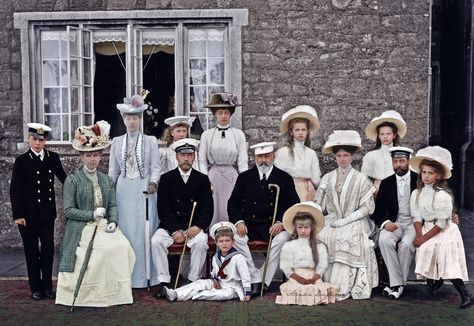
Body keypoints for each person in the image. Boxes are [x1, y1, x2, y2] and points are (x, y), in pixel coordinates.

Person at [56, 121, 135, 307]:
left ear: (100, 157)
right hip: (81, 227)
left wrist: (113, 221)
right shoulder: (72, 181)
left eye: (95, 155)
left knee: (123, 247)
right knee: (102, 252)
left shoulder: (107, 180)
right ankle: (92, 295)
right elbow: (68, 211)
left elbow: (113, 204)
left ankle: (115, 294)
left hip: (103, 225)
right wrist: (91, 214)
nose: (92, 159)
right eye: (88, 155)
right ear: (82, 157)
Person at [227, 141, 300, 296]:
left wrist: (282, 222)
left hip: (274, 225)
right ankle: (255, 277)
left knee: (281, 239)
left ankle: (263, 281)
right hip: (250, 226)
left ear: (273, 156)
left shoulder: (284, 178)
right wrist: (239, 222)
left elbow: (294, 205)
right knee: (235, 237)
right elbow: (233, 203)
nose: (263, 160)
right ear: (254, 158)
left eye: (267, 156)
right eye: (259, 157)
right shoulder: (245, 177)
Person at [315, 130, 378, 300]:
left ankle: (343, 286)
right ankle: (324, 283)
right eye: (339, 156)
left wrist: (347, 219)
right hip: (333, 219)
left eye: (346, 155)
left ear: (352, 157)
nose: (342, 159)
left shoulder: (361, 178)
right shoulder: (327, 177)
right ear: (335, 157)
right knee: (323, 235)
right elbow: (318, 204)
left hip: (356, 219)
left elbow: (367, 208)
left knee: (347, 237)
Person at [109, 94, 161, 288]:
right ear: (123, 120)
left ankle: (146, 275)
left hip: (144, 189)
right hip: (123, 192)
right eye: (128, 118)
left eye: (135, 118)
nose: (131, 121)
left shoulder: (150, 141)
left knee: (144, 233)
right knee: (126, 233)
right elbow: (113, 171)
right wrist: (108, 191)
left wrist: (153, 182)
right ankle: (126, 277)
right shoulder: (116, 142)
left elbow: (156, 167)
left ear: (140, 119)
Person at [410, 146, 472, 309]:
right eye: (424, 172)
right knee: (425, 250)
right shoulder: (416, 193)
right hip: (428, 227)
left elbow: (443, 223)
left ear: (438, 176)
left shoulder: (442, 195)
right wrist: (418, 234)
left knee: (446, 259)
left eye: (431, 173)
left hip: (444, 230)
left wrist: (424, 238)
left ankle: (465, 295)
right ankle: (434, 281)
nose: (427, 176)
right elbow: (416, 216)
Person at [9, 123, 67, 300]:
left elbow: (65, 180)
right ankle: (35, 287)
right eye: (34, 139)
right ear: (29, 139)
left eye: (41, 140)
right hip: (27, 215)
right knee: (32, 250)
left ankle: (47, 286)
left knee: (48, 249)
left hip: (47, 213)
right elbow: (15, 190)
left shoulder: (53, 157)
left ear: (45, 141)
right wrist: (18, 215)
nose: (37, 143)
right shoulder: (21, 161)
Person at [151, 138, 213, 297]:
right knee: (156, 241)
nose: (186, 158)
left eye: (190, 155)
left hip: (193, 226)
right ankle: (164, 282)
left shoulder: (202, 179)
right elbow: (163, 208)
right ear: (176, 157)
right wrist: (174, 231)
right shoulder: (166, 179)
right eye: (182, 155)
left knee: (200, 242)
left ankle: (193, 281)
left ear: (194, 157)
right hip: (171, 227)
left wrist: (198, 227)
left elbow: (207, 208)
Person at [161, 222, 251, 302]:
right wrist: (215, 280)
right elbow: (215, 272)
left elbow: (245, 276)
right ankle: (175, 293)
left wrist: (247, 292)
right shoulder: (216, 257)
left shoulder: (238, 257)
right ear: (216, 243)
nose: (224, 244)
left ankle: (194, 294)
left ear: (233, 242)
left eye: (227, 241)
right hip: (220, 283)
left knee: (212, 294)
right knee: (200, 283)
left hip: (233, 288)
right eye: (221, 241)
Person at [371, 146, 418, 299]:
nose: (398, 164)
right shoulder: (386, 183)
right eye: (395, 161)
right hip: (395, 222)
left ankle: (394, 284)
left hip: (413, 223)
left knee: (406, 245)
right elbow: (377, 211)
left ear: (408, 161)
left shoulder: (419, 180)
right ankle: (398, 284)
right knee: (384, 239)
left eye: (402, 161)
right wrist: (385, 222)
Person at [199, 93, 249, 226]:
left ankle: (230, 239)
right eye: (220, 112)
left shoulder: (238, 135)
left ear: (231, 114)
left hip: (232, 175)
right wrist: (205, 182)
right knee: (213, 207)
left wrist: (244, 182)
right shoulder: (207, 135)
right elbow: (202, 161)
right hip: (213, 176)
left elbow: (242, 161)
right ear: (214, 114)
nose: (223, 116)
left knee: (231, 205)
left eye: (226, 112)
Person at [275, 202, 339, 305]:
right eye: (300, 228)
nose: (303, 231)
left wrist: (315, 277)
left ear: (312, 228)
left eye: (306, 227)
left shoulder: (319, 246)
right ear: (295, 228)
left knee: (317, 288)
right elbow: (286, 267)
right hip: (296, 276)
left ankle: (313, 296)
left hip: (314, 276)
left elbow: (322, 266)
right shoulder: (289, 246)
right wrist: (297, 278)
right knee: (293, 289)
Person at [361, 110, 407, 194]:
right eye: (382, 134)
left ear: (394, 135)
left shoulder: (404, 155)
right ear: (378, 136)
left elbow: (409, 177)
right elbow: (363, 179)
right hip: (376, 195)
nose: (385, 137)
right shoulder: (370, 156)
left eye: (388, 134)